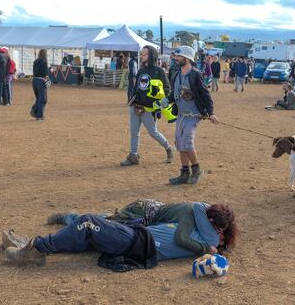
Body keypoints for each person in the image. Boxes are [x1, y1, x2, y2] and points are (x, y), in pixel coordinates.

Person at [3, 203, 237, 268]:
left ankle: (35, 250)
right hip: (136, 236)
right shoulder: (202, 232)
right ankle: (31, 245)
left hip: (137, 241)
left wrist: (210, 247)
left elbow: (197, 206)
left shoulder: (209, 239)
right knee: (88, 235)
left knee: (88, 222)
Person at [48, 200, 238, 254]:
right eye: (217, 228)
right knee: (100, 224)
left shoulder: (203, 213)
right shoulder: (190, 214)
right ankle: (69, 218)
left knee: (107, 221)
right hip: (141, 214)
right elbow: (181, 239)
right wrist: (206, 248)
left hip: (146, 214)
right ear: (210, 220)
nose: (217, 232)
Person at [157, 46, 219, 185]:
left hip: (194, 115)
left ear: (187, 58)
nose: (175, 58)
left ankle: (196, 170)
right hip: (181, 115)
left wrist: (211, 113)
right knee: (179, 143)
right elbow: (175, 93)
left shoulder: (195, 74)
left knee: (187, 141)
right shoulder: (176, 74)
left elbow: (205, 94)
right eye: (176, 56)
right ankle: (184, 173)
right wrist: (166, 101)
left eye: (178, 56)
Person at [121, 45, 174, 166]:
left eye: (144, 54)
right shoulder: (141, 70)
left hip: (150, 108)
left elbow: (167, 89)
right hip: (135, 105)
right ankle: (133, 156)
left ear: (151, 55)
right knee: (134, 132)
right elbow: (136, 87)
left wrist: (158, 102)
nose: (141, 56)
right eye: (141, 53)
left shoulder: (159, 71)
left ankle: (168, 148)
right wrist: (132, 99)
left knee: (153, 132)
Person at [31, 49, 50, 121]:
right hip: (41, 81)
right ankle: (38, 115)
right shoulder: (44, 61)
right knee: (43, 99)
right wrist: (49, 70)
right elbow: (45, 73)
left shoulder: (35, 61)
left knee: (39, 98)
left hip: (34, 80)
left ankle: (35, 111)